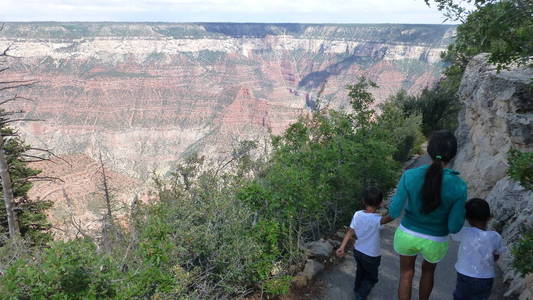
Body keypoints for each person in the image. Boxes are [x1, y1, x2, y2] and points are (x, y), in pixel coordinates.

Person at [389, 130, 467, 300]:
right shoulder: (459, 185)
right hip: (436, 239)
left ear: (429, 151)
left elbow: (394, 211)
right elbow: (454, 227)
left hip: (407, 235)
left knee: (406, 274)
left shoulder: (409, 175)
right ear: (453, 155)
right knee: (428, 272)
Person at [336, 187, 394, 300]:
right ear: (380, 203)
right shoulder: (377, 219)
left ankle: (357, 289)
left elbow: (350, 232)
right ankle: (361, 295)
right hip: (371, 255)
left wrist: (342, 247)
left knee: (360, 270)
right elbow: (391, 217)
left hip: (357, 251)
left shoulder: (357, 214)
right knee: (372, 278)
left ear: (363, 201)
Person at [451, 198, 506, 300]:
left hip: (465, 276)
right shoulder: (495, 236)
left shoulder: (464, 233)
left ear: (467, 218)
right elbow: (497, 255)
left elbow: (453, 229)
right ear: (489, 217)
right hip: (486, 278)